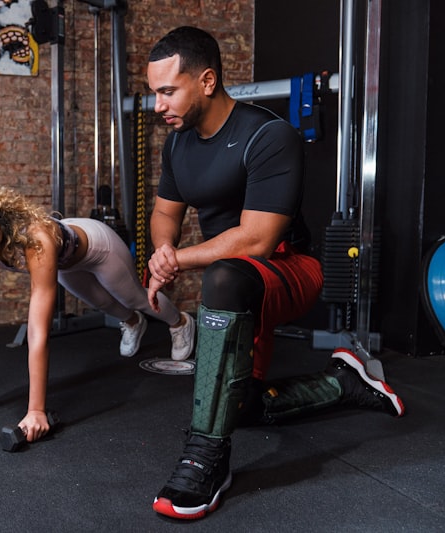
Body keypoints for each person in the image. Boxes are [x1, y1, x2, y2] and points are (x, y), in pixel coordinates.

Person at [144, 26, 405, 520]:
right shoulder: (177, 144)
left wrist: (178, 259)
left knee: (223, 275)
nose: (158, 105)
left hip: (290, 267)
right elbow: (164, 215)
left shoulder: (268, 135)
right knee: (236, 407)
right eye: (154, 92)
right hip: (236, 278)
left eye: (167, 91)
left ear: (206, 80)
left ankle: (206, 461)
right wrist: (161, 251)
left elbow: (258, 240)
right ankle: (342, 382)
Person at [0, 180, 195, 443]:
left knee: (134, 297)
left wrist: (36, 411)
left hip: (99, 248)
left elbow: (38, 331)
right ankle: (133, 322)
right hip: (67, 262)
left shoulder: (36, 239)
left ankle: (180, 322)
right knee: (104, 304)